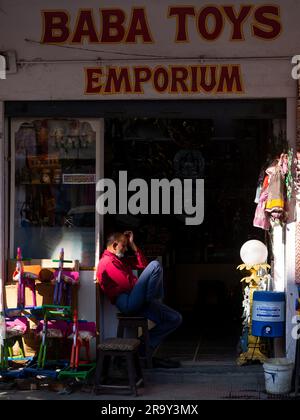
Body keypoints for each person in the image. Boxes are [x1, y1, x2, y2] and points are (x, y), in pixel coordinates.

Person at [96, 230, 182, 368]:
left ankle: (142, 347)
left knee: (175, 318)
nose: (125, 249)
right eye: (123, 246)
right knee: (155, 266)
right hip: (127, 303)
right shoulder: (107, 262)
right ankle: (151, 297)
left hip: (136, 299)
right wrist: (145, 287)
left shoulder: (119, 259)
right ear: (114, 245)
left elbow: (142, 264)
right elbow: (128, 285)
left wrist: (132, 244)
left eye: (126, 246)